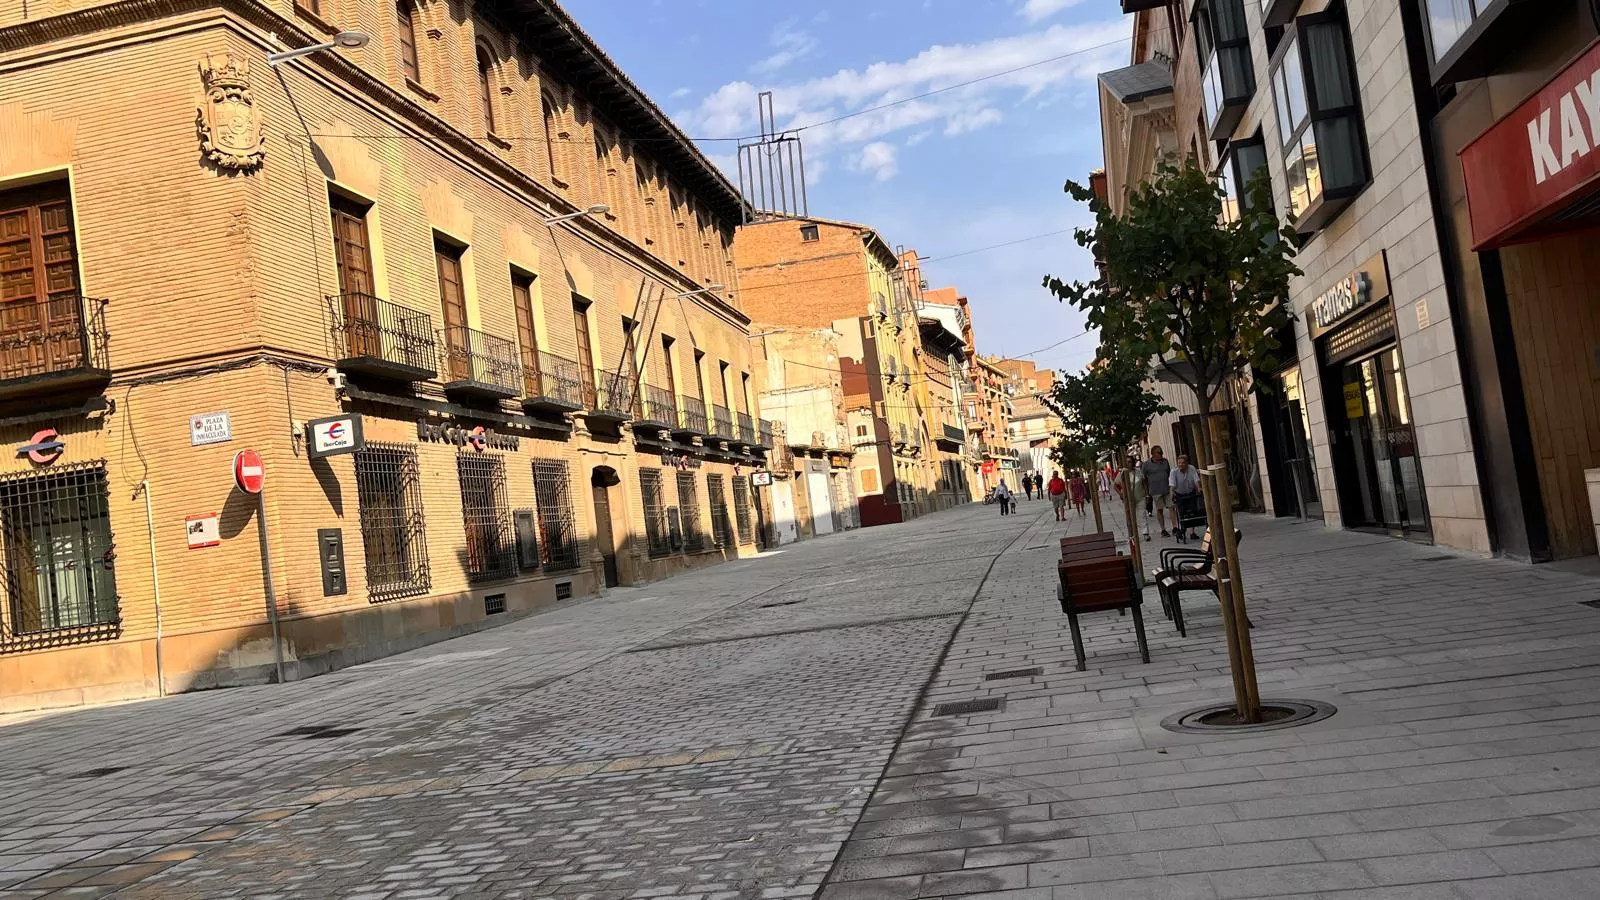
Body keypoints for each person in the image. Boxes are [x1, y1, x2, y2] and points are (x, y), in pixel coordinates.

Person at [1140, 446, 1174, 537]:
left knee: (1171, 507)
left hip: (1166, 489)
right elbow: (1143, 478)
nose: (1161, 454)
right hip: (1155, 490)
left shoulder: (1165, 461)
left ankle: (1175, 527)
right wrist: (1146, 492)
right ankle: (1163, 529)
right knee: (1160, 509)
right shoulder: (1146, 464)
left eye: (1161, 452)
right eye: (1159, 453)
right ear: (1153, 454)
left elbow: (1169, 473)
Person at [1170, 453, 1202, 541]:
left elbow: (1196, 479)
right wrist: (1172, 493)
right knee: (1182, 513)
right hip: (1179, 494)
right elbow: (1172, 484)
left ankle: (1192, 532)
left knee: (1193, 511)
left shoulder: (1191, 469)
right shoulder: (1174, 471)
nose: (1181, 465)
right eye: (1179, 463)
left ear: (1187, 463)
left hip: (1190, 492)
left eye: (1183, 463)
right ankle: (1183, 529)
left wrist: (1199, 488)